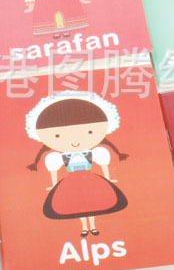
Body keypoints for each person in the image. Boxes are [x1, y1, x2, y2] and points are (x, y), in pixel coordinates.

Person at [25, 91, 128, 236]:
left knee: (94, 204)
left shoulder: (95, 152)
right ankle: (85, 228)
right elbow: (53, 170)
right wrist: (54, 185)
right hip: (71, 183)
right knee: (78, 207)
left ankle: (93, 226)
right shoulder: (58, 157)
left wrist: (108, 178)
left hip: (91, 180)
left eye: (90, 132)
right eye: (57, 136)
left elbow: (104, 164)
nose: (75, 141)